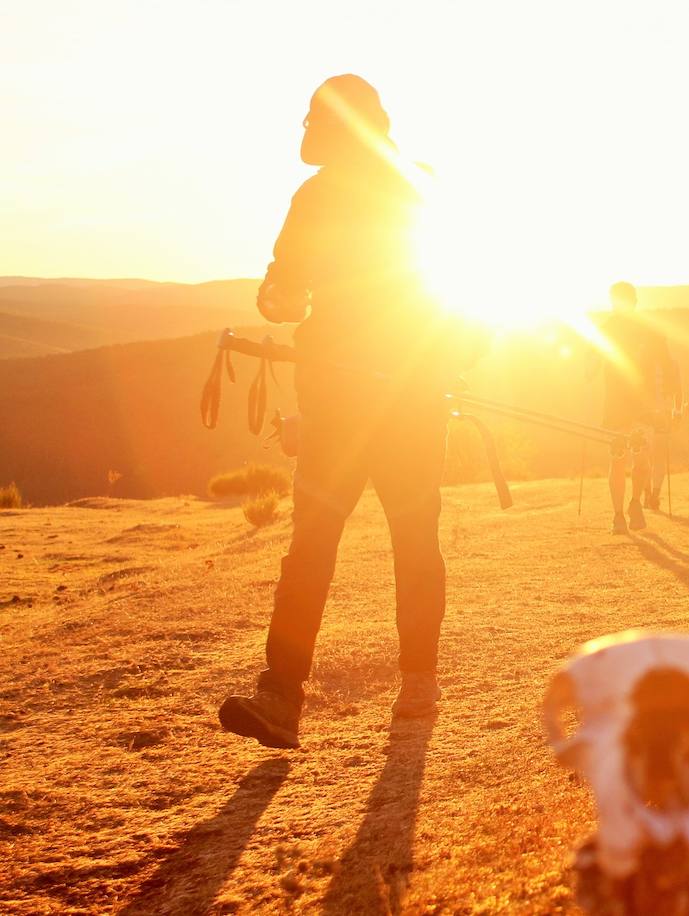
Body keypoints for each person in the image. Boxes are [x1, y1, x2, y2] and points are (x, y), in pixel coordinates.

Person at [219, 75, 460, 749]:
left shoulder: (326, 193)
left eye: (312, 124)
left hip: (358, 397)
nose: (305, 136)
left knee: (317, 547)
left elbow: (285, 292)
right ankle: (405, 686)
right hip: (389, 395)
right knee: (405, 540)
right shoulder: (407, 186)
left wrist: (280, 302)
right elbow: (451, 291)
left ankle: (289, 695)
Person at [587, 281, 674, 533]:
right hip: (616, 405)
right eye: (616, 300)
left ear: (634, 302)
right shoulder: (605, 329)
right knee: (618, 459)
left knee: (642, 459)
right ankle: (617, 516)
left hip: (643, 404)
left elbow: (667, 365)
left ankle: (635, 503)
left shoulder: (650, 331)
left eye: (625, 300)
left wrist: (667, 398)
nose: (620, 305)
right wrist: (590, 363)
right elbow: (590, 367)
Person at [646, 355, 681, 511]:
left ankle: (652, 494)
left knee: (653, 456)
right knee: (648, 456)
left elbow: (678, 391)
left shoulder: (671, 363)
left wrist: (677, 412)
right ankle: (651, 493)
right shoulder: (671, 362)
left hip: (657, 414)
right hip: (647, 414)